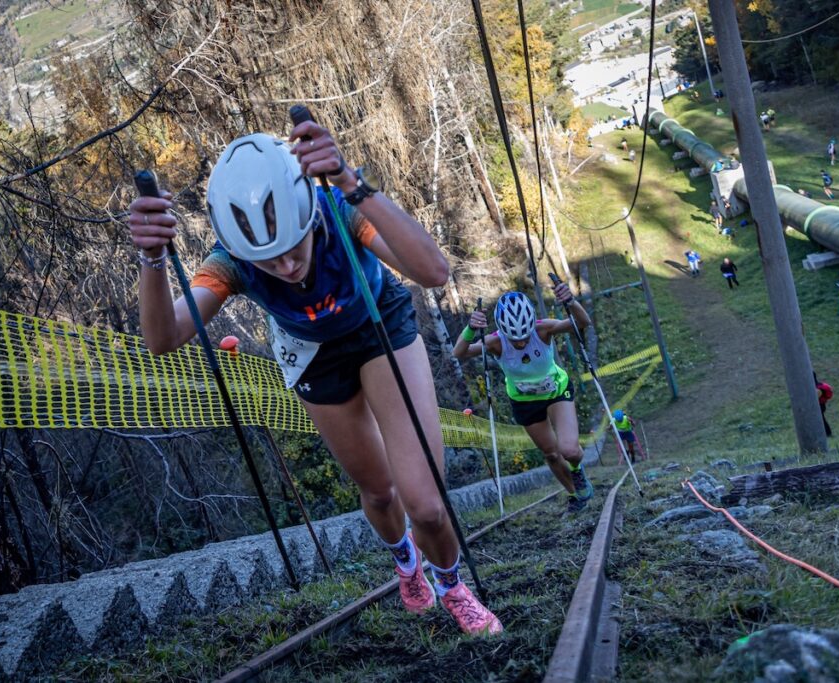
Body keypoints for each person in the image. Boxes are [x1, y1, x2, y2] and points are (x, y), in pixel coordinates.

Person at [127, 125, 502, 635]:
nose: (283, 265)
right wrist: (153, 258)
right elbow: (164, 338)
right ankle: (406, 563)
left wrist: (353, 184)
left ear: (307, 211)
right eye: (267, 258)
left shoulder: (338, 209)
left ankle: (453, 586)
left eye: (292, 245)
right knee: (379, 492)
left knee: (427, 504)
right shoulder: (229, 262)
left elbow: (435, 272)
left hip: (378, 324)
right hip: (312, 356)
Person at [453, 285, 595, 515]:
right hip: (525, 402)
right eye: (514, 339)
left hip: (556, 391)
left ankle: (577, 471)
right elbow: (459, 353)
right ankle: (573, 493)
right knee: (550, 453)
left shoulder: (542, 329)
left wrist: (571, 302)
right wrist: (470, 328)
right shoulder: (495, 342)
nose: (520, 343)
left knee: (569, 450)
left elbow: (582, 322)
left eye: (524, 337)